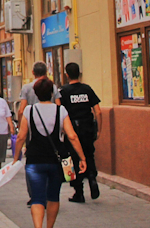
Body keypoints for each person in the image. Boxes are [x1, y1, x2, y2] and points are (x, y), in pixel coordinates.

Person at [13, 79, 87, 228]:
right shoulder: (61, 110)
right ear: (52, 93)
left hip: (34, 160)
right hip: (56, 161)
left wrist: (16, 158)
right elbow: (72, 136)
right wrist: (82, 157)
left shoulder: (29, 110)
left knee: (37, 198)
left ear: (36, 93)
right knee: (53, 197)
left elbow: (21, 136)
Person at [60, 63, 103, 202]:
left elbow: (60, 111)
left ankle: (79, 191)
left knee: (74, 159)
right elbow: (98, 111)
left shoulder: (64, 91)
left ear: (67, 75)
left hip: (72, 128)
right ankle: (92, 178)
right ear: (79, 73)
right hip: (87, 127)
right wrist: (98, 129)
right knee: (89, 154)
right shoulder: (87, 89)